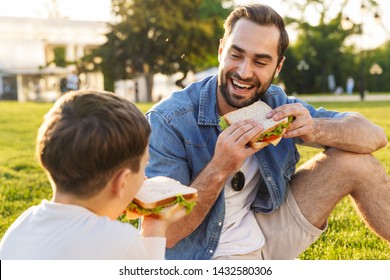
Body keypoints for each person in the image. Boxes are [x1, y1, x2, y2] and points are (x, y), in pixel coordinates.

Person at [145, 4, 390, 260]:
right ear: (221, 51)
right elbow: (164, 234)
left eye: (260, 61)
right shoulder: (168, 121)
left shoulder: (276, 104)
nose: (244, 72)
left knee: (357, 163)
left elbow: (375, 136)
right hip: (203, 255)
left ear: (278, 67)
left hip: (266, 233)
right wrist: (220, 167)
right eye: (235, 55)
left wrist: (316, 128)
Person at [0, 90, 186, 259]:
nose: (145, 178)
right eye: (144, 166)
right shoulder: (120, 240)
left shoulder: (23, 223)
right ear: (121, 182)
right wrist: (154, 228)